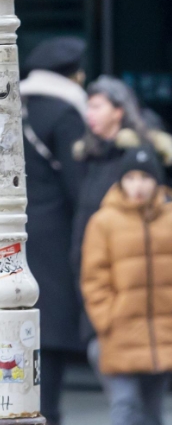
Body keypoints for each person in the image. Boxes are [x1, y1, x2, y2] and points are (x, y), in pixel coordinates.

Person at [81, 146, 172, 425]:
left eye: (145, 178)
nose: (138, 186)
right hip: (119, 332)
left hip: (164, 330)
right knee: (125, 407)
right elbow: (93, 276)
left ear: (157, 181)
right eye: (131, 178)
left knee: (152, 412)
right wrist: (105, 316)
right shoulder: (103, 221)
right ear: (121, 180)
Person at [71, 76, 172, 350]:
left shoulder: (138, 157)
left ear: (118, 111)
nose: (89, 114)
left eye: (97, 106)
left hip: (134, 289)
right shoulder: (90, 154)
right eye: (88, 106)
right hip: (97, 282)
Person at [19, 36, 88, 425]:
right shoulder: (65, 113)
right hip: (54, 237)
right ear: (73, 74)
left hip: (15, 230)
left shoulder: (17, 106)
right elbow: (78, 185)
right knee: (49, 333)